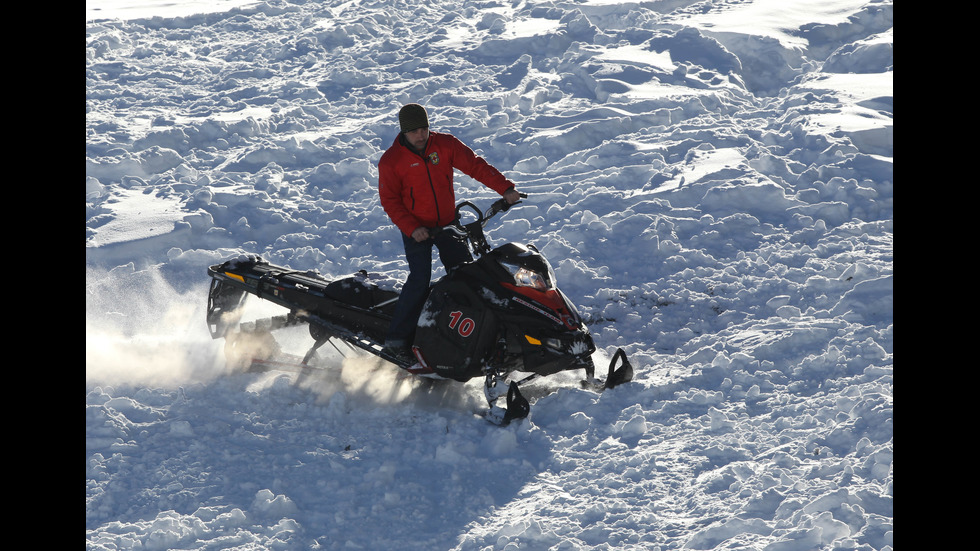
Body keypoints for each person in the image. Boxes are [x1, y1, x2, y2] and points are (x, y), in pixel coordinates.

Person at [378, 103, 522, 365]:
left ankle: (467, 334)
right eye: (414, 132)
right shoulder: (392, 161)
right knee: (420, 279)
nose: (421, 136)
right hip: (417, 230)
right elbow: (390, 200)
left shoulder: (444, 145)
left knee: (467, 275)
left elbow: (476, 166)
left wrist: (505, 188)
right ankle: (396, 340)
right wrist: (413, 228)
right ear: (403, 133)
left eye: (424, 129)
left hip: (447, 225)